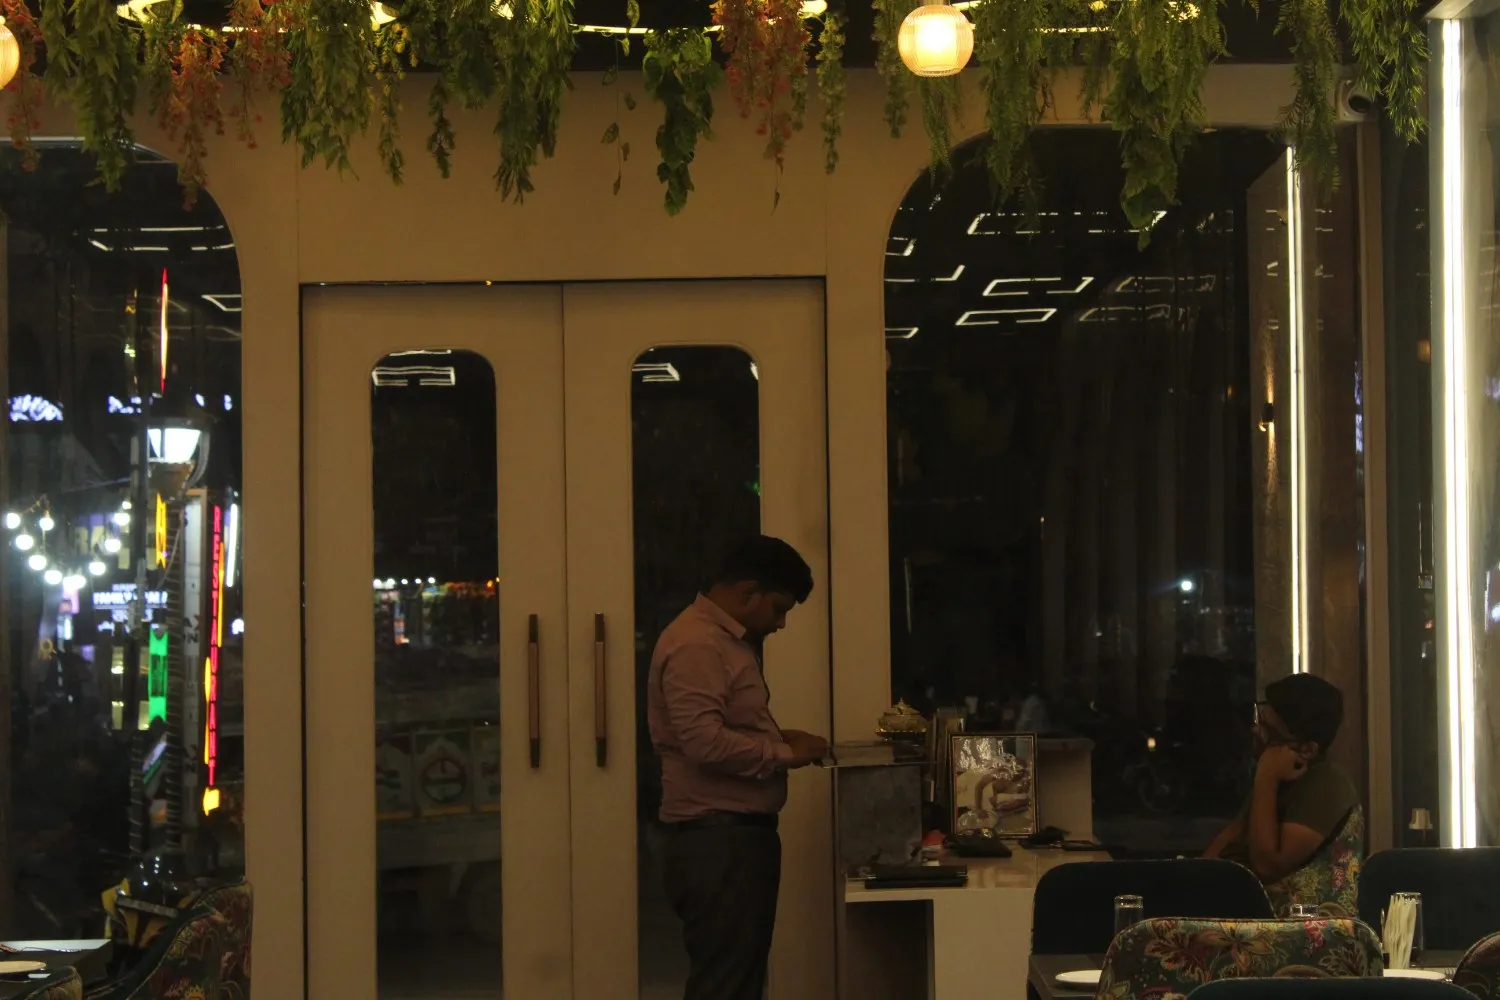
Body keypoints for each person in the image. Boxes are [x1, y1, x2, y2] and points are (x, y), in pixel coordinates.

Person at [648, 535, 829, 1000]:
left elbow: (719, 727)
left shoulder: (723, 643)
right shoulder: (698, 645)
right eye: (778, 608)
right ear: (748, 592)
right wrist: (784, 754)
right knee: (726, 987)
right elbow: (703, 742)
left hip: (729, 840)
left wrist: (779, 738)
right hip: (719, 841)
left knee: (735, 982)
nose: (781, 624)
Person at [1204, 673, 1358, 891]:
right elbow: (1229, 839)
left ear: (1307, 750)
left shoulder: (1327, 786)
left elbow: (1268, 866)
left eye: (1270, 731)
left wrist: (1266, 777)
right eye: (1259, 719)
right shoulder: (1284, 778)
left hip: (1297, 912)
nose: (1256, 731)